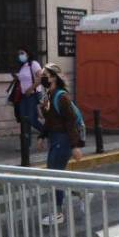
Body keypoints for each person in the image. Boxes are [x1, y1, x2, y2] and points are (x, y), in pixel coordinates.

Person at [37, 63, 84, 226]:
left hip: (63, 140)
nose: (41, 78)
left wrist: (75, 146)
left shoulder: (61, 97)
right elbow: (50, 120)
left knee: (54, 175)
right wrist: (42, 136)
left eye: (44, 75)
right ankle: (80, 192)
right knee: (55, 174)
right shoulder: (48, 96)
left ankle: (59, 213)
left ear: (53, 78)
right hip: (55, 139)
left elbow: (71, 122)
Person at [15, 47, 45, 154]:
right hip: (24, 96)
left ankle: (47, 132)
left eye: (22, 53)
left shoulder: (34, 64)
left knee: (32, 119)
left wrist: (31, 88)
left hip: (33, 95)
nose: (20, 55)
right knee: (24, 120)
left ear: (27, 54)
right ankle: (25, 145)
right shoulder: (23, 66)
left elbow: (41, 78)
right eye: (19, 54)